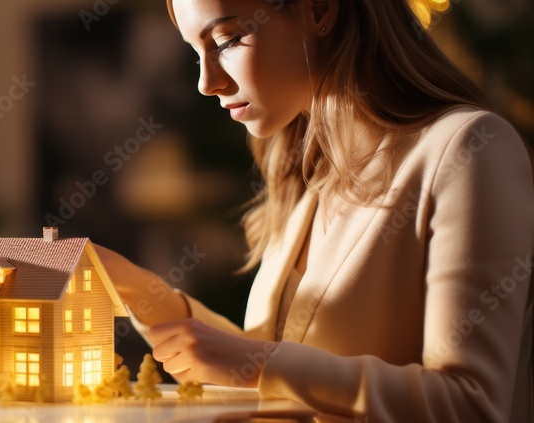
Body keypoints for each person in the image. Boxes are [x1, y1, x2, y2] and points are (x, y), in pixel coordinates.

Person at [97, 0, 534, 421]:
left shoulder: (470, 149)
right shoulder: (310, 177)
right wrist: (137, 289)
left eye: (226, 40)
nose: (206, 82)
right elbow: (276, 370)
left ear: (319, 10)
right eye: (197, 54)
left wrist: (262, 363)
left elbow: (471, 406)